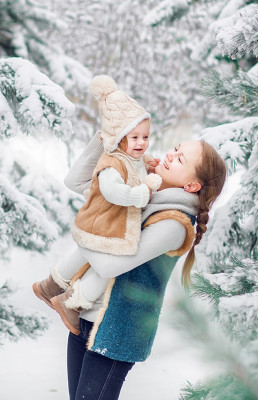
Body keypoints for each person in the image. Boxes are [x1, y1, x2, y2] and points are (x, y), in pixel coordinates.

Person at [60, 133, 226, 399]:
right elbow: (75, 181)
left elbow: (109, 265)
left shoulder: (174, 223)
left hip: (116, 334)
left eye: (180, 159)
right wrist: (106, 140)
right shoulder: (139, 191)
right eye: (175, 148)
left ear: (192, 186)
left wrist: (90, 226)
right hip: (85, 315)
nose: (170, 155)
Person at [33, 75, 162, 334]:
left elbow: (132, 164)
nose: (141, 143)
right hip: (106, 220)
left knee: (94, 254)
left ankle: (51, 287)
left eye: (145, 137)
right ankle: (70, 302)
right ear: (117, 137)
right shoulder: (111, 161)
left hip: (106, 220)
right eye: (134, 137)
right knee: (110, 262)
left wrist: (147, 163)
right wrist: (142, 192)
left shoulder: (130, 157)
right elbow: (112, 189)